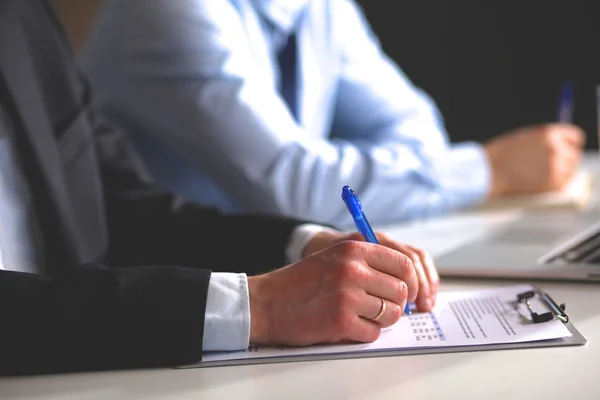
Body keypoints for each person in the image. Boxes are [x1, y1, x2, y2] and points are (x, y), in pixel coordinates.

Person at [0, 0, 438, 376]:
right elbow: (294, 181)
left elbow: (122, 210)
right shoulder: (163, 13)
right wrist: (258, 307)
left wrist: (302, 246)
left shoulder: (21, 16)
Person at [80, 0, 585, 228]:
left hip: (275, 272)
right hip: (172, 301)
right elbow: (292, 188)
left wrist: (338, 177)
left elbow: (419, 133)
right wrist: (489, 169)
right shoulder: (165, 11)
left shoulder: (317, 6)